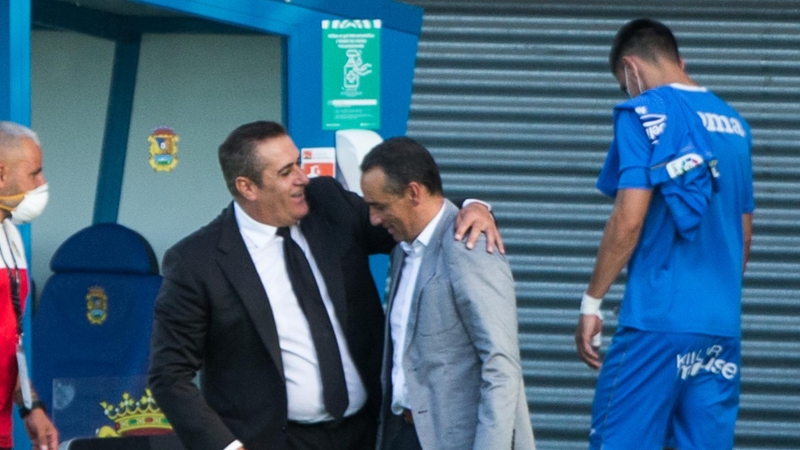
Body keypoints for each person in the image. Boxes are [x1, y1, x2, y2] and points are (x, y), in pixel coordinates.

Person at [148, 121, 501, 450]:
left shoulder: (329, 202)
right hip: (275, 442)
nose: (303, 177)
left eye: (298, 163)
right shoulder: (197, 262)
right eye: (286, 172)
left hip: (366, 434)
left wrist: (472, 207)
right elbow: (169, 375)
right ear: (247, 187)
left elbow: (414, 216)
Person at [574, 19, 754, 450]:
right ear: (680, 61)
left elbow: (628, 219)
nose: (628, 93)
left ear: (631, 69)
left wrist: (592, 301)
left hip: (657, 321)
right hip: (719, 327)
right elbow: (743, 236)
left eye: (624, 84)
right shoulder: (736, 125)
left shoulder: (645, 111)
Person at [360, 137, 535, 450]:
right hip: (403, 435)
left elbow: (501, 366)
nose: (373, 219)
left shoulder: (469, 246)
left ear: (414, 192)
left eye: (380, 206)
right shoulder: (403, 249)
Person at [0, 122, 59, 450]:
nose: (43, 183)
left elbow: (10, 342)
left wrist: (30, 406)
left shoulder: (10, 238)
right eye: (34, 173)